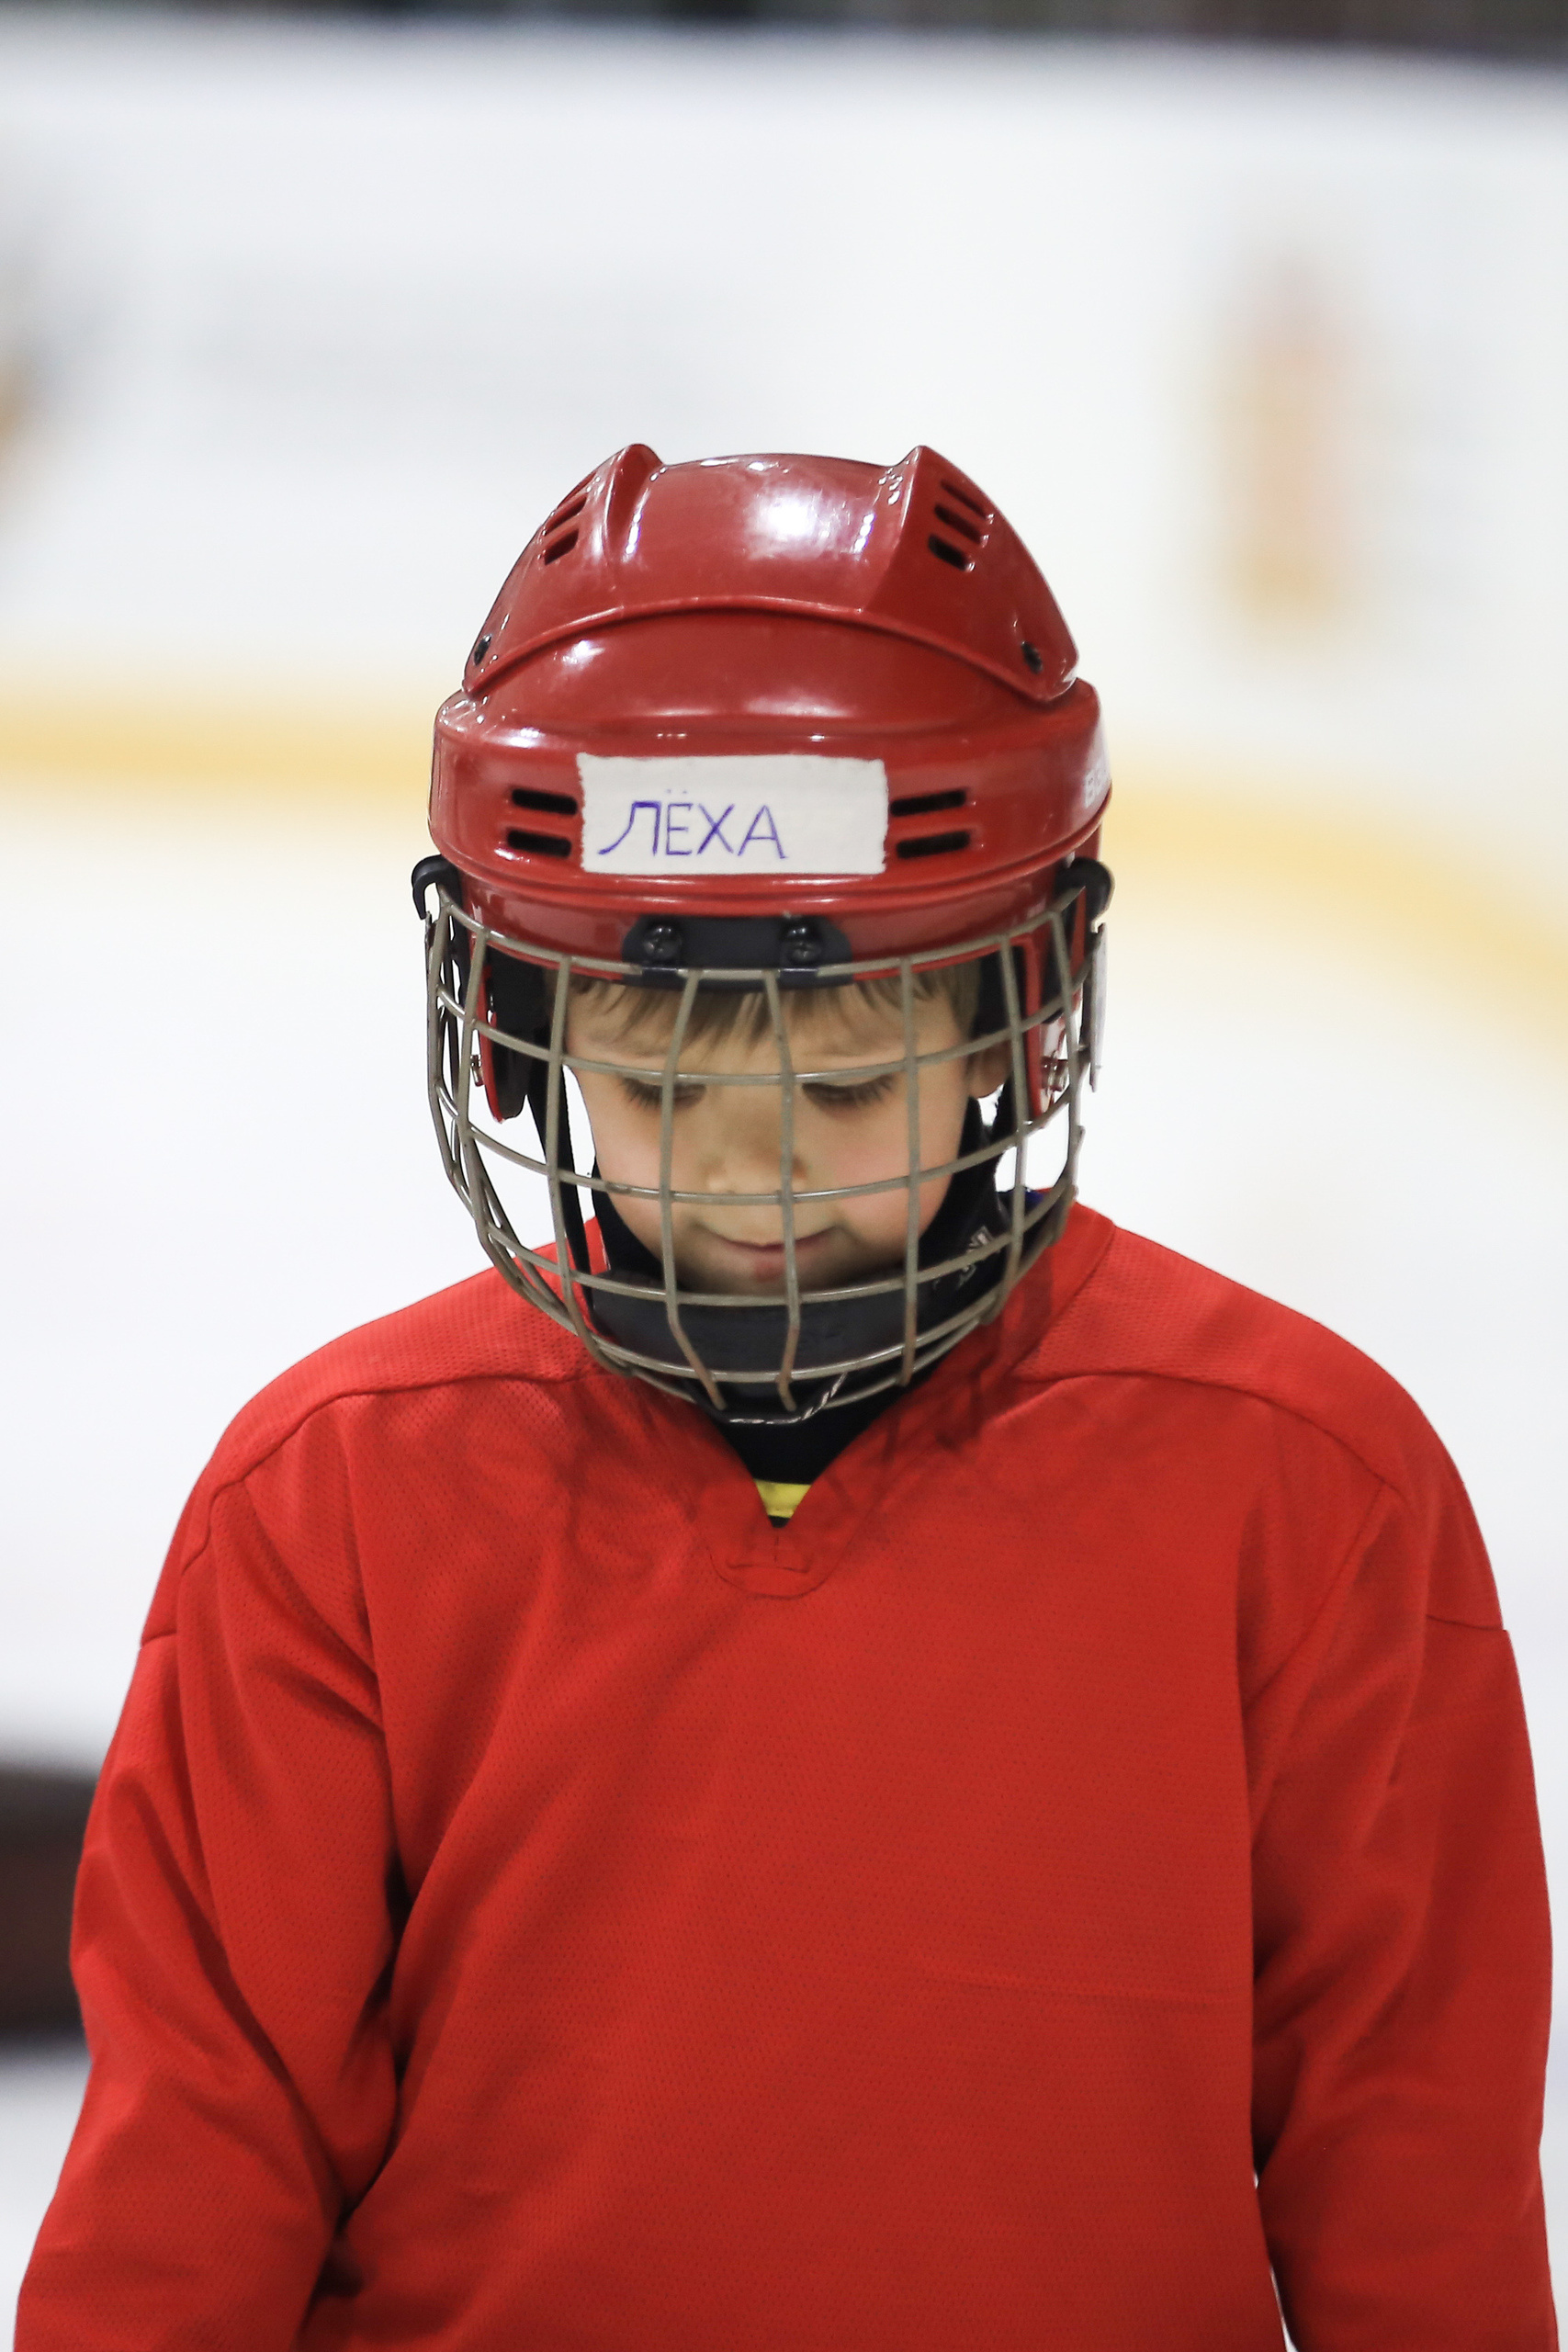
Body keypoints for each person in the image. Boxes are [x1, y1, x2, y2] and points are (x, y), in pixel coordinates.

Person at [18, 446, 1555, 2351]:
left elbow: (1413, 2187)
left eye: (841, 1092)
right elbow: (195, 2171)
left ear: (1024, 1009)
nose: (750, 1171)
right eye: (661, 1088)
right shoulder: (328, 1496)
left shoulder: (1308, 1486)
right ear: (514, 1029)